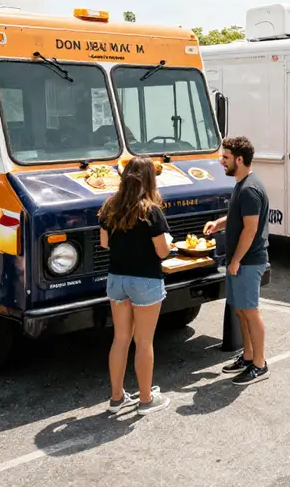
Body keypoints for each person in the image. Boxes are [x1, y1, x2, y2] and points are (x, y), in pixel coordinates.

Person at [98, 156, 172, 415]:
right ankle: (145, 400)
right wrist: (169, 243)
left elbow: (105, 243)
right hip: (146, 280)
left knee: (120, 339)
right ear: (150, 180)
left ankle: (116, 398)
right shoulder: (151, 211)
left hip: (116, 278)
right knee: (144, 342)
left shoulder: (110, 206)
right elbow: (162, 252)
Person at [204, 136, 270, 385]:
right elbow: (237, 217)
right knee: (241, 311)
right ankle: (249, 356)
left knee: (251, 312)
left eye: (226, 157)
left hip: (248, 261)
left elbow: (250, 230)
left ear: (239, 159)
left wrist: (236, 261)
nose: (221, 161)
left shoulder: (250, 189)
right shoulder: (242, 185)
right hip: (239, 261)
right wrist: (219, 223)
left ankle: (260, 364)